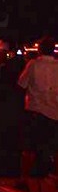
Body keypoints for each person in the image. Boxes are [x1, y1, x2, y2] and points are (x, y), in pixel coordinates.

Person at [18, 35, 58, 180]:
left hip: (35, 112)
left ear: (40, 50)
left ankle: (24, 179)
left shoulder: (33, 64)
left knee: (29, 149)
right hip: (54, 113)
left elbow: (21, 83)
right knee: (54, 148)